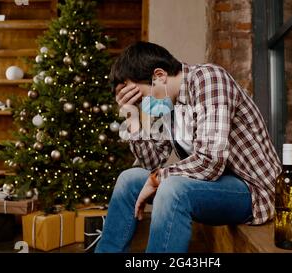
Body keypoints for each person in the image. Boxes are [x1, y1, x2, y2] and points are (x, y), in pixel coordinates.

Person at [95, 41, 281, 253]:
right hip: (212, 185)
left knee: (171, 188)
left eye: (143, 97)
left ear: (159, 76)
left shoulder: (209, 79)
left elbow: (210, 161)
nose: (145, 104)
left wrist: (157, 178)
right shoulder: (168, 103)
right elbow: (150, 162)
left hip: (252, 191)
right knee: (128, 179)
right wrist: (132, 116)